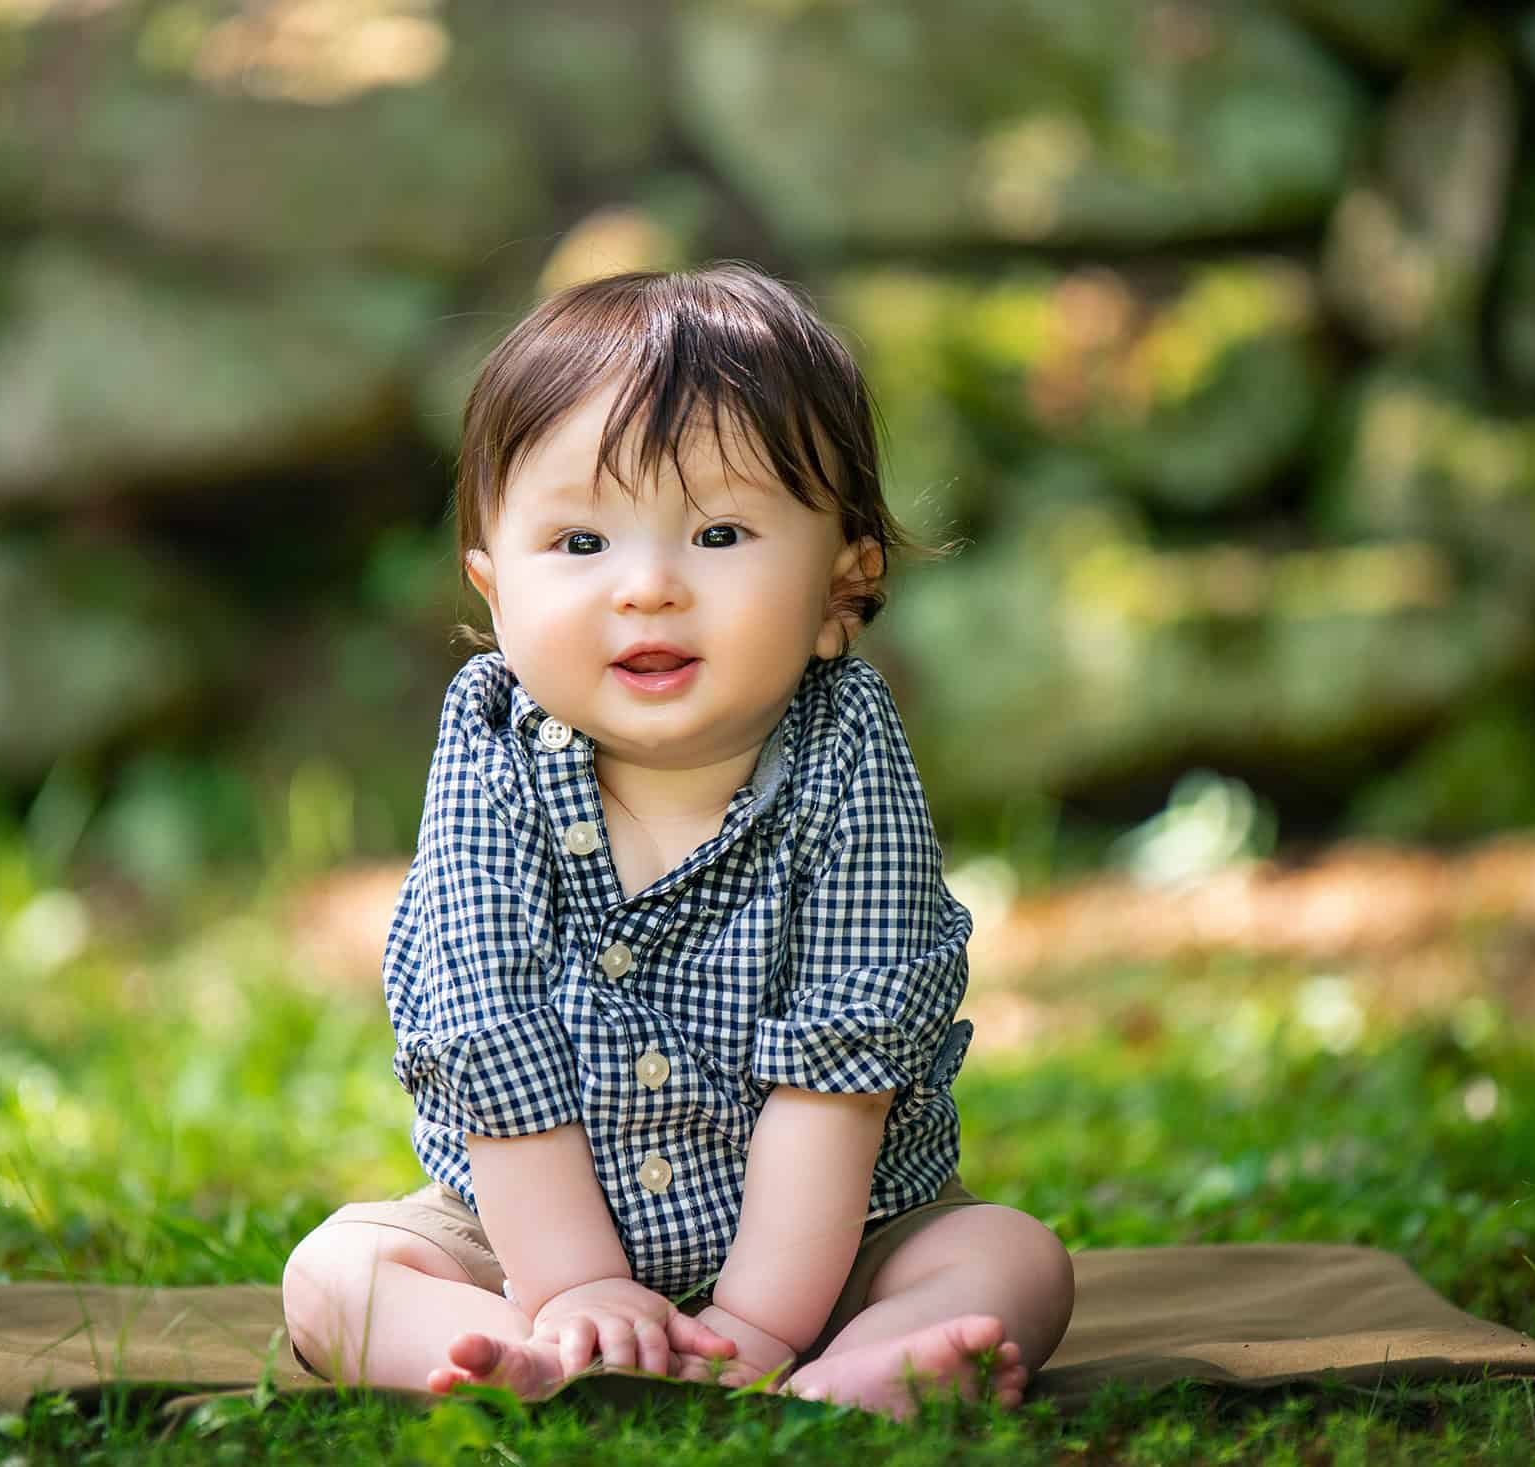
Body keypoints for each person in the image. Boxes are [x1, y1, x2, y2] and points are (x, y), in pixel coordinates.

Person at [281, 263, 1074, 1417]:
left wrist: (761, 1322)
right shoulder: (492, 750)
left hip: (839, 1235)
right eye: (580, 544)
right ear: (493, 591)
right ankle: (516, 1355)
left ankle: (867, 1365)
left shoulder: (846, 752)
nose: (646, 588)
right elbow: (484, 1031)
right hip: (518, 1234)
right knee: (333, 1275)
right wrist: (575, 1285)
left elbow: (839, 1060)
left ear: (840, 584)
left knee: (1012, 1261)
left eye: (716, 531)